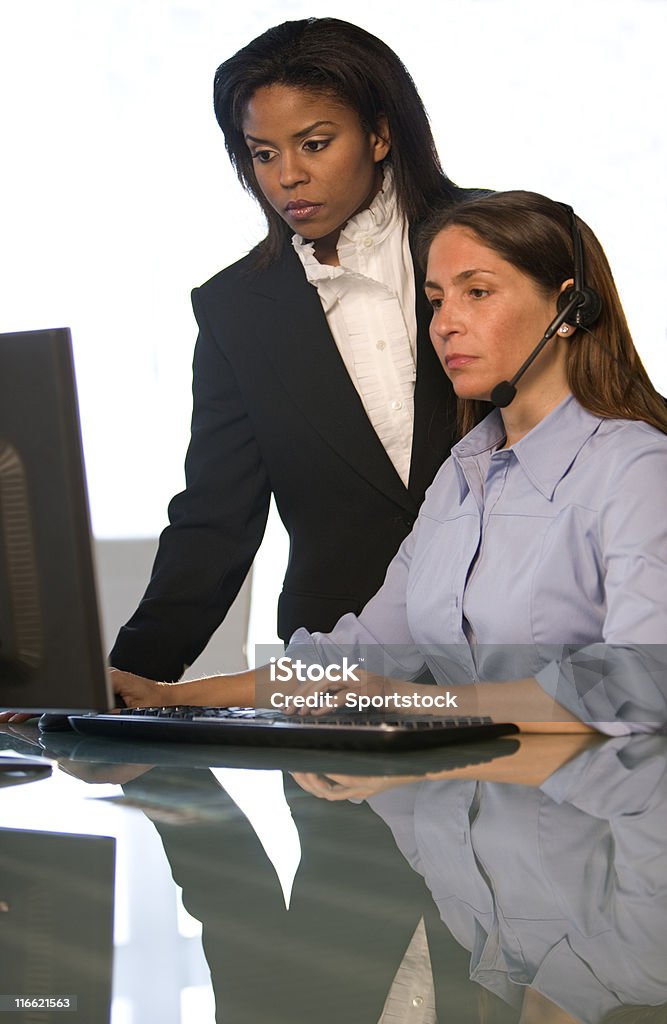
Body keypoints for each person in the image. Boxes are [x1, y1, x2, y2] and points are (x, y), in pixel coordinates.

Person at [113, 191, 667, 734]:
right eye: (436, 301)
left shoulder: (636, 469)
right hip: (459, 814)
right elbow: (361, 656)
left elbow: (641, 681)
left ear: (569, 308)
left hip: (593, 816)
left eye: (477, 292)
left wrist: (424, 704)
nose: (446, 324)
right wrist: (167, 695)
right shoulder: (460, 476)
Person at [107, 16, 473, 686]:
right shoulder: (232, 308)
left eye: (313, 143)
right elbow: (215, 517)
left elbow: (601, 424)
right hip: (333, 669)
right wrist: (127, 679)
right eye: (263, 153)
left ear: (379, 132)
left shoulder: (502, 245)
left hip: (519, 642)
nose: (287, 178)